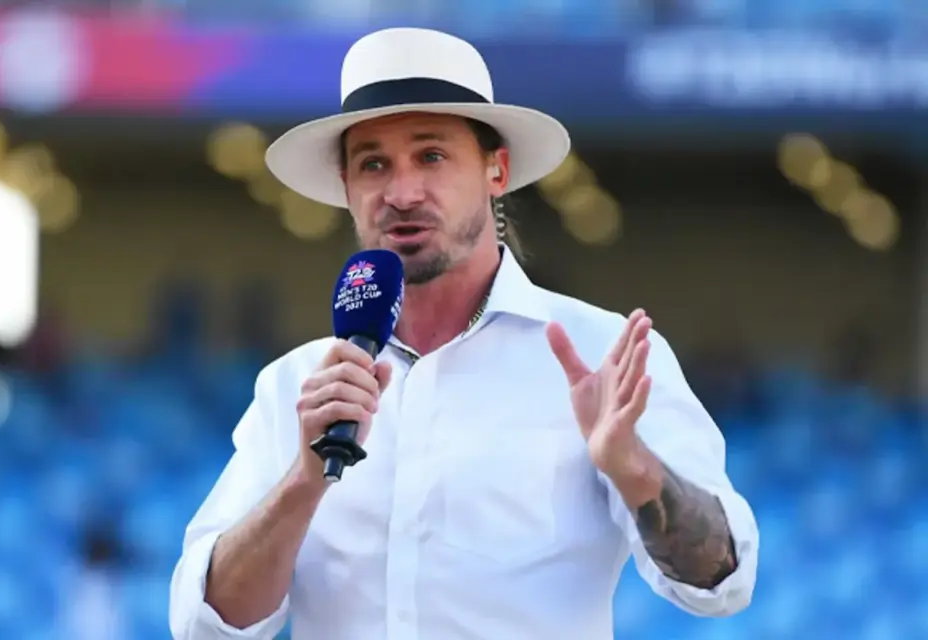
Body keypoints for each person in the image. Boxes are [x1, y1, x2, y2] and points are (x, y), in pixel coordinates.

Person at [169, 27, 759, 640]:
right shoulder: (297, 385)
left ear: (496, 170)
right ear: (347, 188)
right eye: (373, 164)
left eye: (431, 156)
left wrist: (634, 468)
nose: (402, 193)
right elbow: (206, 627)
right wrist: (302, 482)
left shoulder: (603, 355)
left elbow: (722, 580)